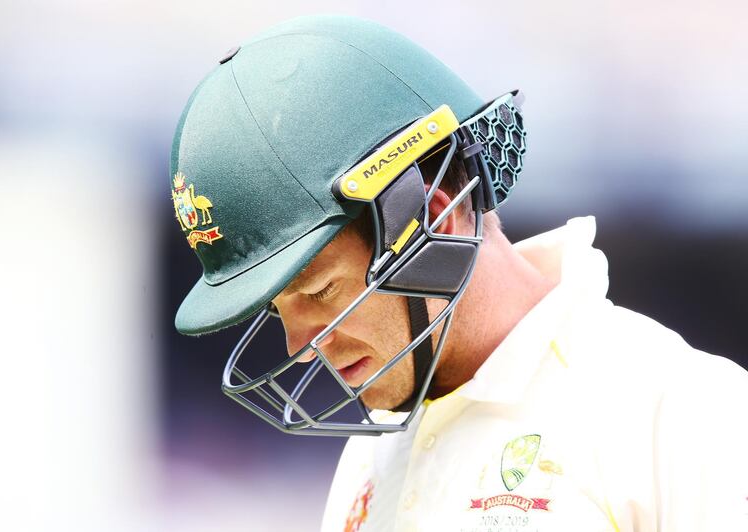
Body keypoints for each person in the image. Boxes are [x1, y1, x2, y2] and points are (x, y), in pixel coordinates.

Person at [169, 14, 748, 532]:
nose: (299, 347)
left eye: (321, 291)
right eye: (278, 310)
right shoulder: (369, 455)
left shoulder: (683, 414)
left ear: (436, 221)